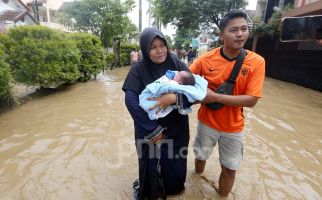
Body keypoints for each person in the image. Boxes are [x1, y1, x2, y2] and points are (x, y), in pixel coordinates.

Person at [189, 10, 265, 197]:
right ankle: (197, 180)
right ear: (221, 34)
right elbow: (185, 82)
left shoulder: (256, 62)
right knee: (200, 158)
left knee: (230, 169)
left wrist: (215, 97)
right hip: (206, 123)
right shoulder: (205, 60)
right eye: (233, 30)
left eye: (244, 29)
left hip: (234, 128)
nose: (240, 34)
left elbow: (251, 100)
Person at [122, 27, 192, 199]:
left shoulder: (177, 64)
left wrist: (173, 98)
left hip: (177, 126)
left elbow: (194, 90)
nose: (159, 50)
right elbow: (130, 100)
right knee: (149, 167)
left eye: (162, 45)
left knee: (175, 164)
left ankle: (173, 188)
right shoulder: (138, 69)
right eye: (153, 47)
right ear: (145, 50)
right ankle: (149, 190)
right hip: (148, 127)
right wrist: (152, 129)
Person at [139, 70, 207, 120]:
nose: (175, 73)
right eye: (153, 49)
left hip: (176, 123)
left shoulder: (175, 83)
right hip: (150, 111)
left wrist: (174, 98)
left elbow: (193, 97)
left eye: (177, 75)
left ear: (180, 82)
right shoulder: (138, 69)